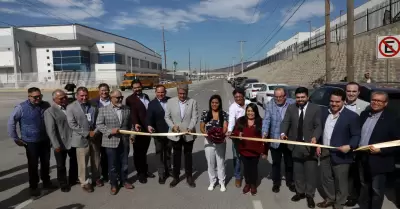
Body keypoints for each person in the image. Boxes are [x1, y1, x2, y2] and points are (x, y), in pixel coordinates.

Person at [316, 89, 361, 209]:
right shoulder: (324, 113)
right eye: (331, 101)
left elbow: (356, 135)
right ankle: (330, 198)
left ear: (343, 101)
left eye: (337, 102)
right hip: (325, 151)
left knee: (341, 182)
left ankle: (339, 204)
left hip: (342, 154)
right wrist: (318, 143)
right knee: (326, 178)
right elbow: (320, 130)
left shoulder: (352, 116)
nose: (334, 104)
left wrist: (350, 146)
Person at [7, 87, 53, 196]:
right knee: (33, 165)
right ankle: (34, 186)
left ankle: (46, 181)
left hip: (45, 139)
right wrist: (16, 138)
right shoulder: (21, 108)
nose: (38, 99)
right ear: (29, 97)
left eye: (39, 96)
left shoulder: (46, 105)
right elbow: (11, 123)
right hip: (30, 142)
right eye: (35, 97)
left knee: (46, 162)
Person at [280, 87, 322, 208]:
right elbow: (286, 122)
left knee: (310, 172)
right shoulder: (291, 108)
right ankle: (300, 192)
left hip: (309, 146)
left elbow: (318, 125)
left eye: (303, 97)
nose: (300, 99)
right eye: (298, 97)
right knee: (298, 172)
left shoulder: (315, 109)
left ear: (307, 97)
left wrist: (315, 137)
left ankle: (310, 195)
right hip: (295, 145)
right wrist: (283, 133)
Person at [357, 91, 400, 209]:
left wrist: (381, 151)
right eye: (374, 100)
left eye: (379, 101)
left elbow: (398, 143)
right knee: (364, 186)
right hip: (362, 157)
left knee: (377, 190)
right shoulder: (364, 114)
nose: (375, 102)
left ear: (385, 103)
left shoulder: (392, 119)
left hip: (379, 160)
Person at [96, 90, 134, 195]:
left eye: (121, 97)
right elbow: (99, 124)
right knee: (112, 165)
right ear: (111, 98)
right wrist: (109, 131)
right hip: (110, 141)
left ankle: (124, 181)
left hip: (124, 141)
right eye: (117, 98)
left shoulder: (127, 109)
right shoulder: (103, 110)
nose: (120, 99)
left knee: (125, 163)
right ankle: (113, 184)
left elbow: (130, 124)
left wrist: (132, 135)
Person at [66, 86, 103, 193]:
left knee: (96, 159)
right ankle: (85, 182)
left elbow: (99, 120)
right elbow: (72, 124)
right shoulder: (71, 107)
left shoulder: (94, 105)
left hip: (95, 137)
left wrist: (95, 132)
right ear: (77, 96)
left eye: (86, 95)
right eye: (81, 95)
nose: (84, 97)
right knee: (83, 163)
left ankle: (96, 178)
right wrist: (87, 133)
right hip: (81, 138)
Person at [262, 87, 296, 193]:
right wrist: (264, 132)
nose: (278, 99)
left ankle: (290, 182)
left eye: (280, 97)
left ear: (285, 96)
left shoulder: (292, 103)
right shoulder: (269, 105)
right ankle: (276, 183)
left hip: (288, 139)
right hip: (275, 139)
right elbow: (266, 120)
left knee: (289, 162)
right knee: (276, 163)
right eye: (276, 97)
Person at [164, 84, 198, 188]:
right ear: (177, 92)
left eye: (184, 93)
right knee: (176, 156)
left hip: (188, 134)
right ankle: (176, 177)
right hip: (176, 134)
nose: (182, 95)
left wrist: (190, 128)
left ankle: (189, 177)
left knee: (188, 156)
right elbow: (167, 117)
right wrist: (172, 126)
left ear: (187, 92)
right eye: (180, 93)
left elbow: (194, 117)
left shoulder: (192, 102)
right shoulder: (170, 102)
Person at [44, 89, 78, 193]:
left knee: (74, 162)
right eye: (61, 98)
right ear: (54, 100)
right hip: (60, 143)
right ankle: (63, 183)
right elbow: (51, 130)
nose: (64, 99)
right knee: (61, 165)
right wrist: (55, 144)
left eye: (65, 97)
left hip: (73, 140)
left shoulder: (70, 107)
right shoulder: (50, 111)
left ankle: (73, 179)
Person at [231, 103, 268, 196]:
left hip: (255, 152)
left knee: (253, 168)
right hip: (244, 150)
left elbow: (266, 139)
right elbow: (234, 132)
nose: (250, 113)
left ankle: (253, 184)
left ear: (256, 112)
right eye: (248, 111)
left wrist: (265, 151)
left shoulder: (261, 122)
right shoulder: (241, 121)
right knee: (246, 169)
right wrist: (237, 134)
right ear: (246, 112)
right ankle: (247, 183)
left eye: (252, 111)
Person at [344, 82, 369, 207]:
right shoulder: (339, 104)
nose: (351, 93)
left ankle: (355, 197)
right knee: (345, 173)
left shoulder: (366, 106)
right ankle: (345, 194)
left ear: (358, 93)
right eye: (349, 91)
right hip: (342, 145)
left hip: (358, 146)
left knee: (356, 174)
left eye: (354, 91)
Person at [125, 80, 155, 184]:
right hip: (138, 129)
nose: (137, 89)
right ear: (132, 89)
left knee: (144, 152)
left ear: (141, 86)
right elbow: (132, 114)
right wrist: (135, 124)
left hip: (148, 129)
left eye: (138, 87)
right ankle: (140, 173)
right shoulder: (130, 99)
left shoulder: (146, 96)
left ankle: (145, 170)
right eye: (135, 88)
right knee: (138, 153)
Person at [200, 94, 228, 192]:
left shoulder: (224, 113)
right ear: (210, 103)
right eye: (212, 102)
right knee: (210, 163)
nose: (214, 104)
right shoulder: (205, 113)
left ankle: (222, 182)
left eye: (216, 102)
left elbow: (225, 127)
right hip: (208, 141)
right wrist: (207, 134)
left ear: (219, 103)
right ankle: (212, 181)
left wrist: (220, 135)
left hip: (220, 141)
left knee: (220, 163)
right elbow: (202, 127)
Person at [146, 85, 172, 184]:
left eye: (162, 92)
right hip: (158, 133)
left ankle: (169, 170)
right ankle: (161, 174)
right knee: (159, 153)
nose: (160, 94)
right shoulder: (152, 104)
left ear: (165, 92)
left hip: (170, 132)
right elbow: (149, 117)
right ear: (155, 92)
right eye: (158, 92)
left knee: (169, 152)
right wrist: (149, 125)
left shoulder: (171, 101)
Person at [227, 88, 251, 188]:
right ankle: (237, 176)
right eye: (236, 97)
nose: (238, 98)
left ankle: (249, 176)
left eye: (240, 96)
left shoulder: (249, 103)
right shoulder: (233, 107)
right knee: (237, 157)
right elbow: (232, 119)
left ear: (243, 96)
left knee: (248, 156)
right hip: (237, 134)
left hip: (249, 134)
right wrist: (229, 131)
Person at [91, 83, 111, 183]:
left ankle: (107, 174)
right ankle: (98, 176)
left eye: (106, 90)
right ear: (99, 91)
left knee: (107, 154)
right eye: (102, 90)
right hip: (97, 133)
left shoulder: (113, 100)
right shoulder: (93, 102)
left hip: (109, 133)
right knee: (96, 155)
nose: (104, 92)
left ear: (109, 91)